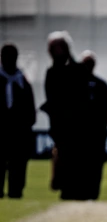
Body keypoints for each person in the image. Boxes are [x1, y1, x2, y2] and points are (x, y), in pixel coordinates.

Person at [41, 31, 91, 200]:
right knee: (64, 162)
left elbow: (83, 101)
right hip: (60, 129)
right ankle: (66, 191)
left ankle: (78, 192)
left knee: (77, 163)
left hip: (77, 128)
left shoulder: (78, 70)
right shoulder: (51, 73)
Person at [0, 43, 36, 198]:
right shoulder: (19, 82)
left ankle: (16, 192)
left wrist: (25, 126)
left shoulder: (22, 82)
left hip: (19, 133)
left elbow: (30, 109)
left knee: (18, 167)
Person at [81, 50, 107, 200]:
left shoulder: (101, 85)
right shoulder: (73, 83)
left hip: (97, 134)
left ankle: (93, 195)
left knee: (95, 167)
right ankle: (79, 194)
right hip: (79, 134)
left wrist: (104, 129)